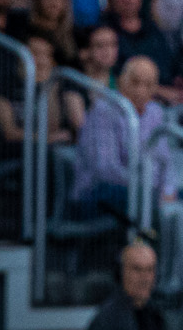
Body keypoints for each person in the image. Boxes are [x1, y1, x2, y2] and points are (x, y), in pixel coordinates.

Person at [71, 56, 173, 218]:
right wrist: (149, 189)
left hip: (146, 191)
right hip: (99, 193)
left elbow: (165, 161)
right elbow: (105, 169)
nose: (141, 90)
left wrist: (168, 191)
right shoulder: (103, 110)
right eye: (135, 82)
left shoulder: (156, 112)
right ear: (121, 81)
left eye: (148, 85)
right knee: (147, 202)